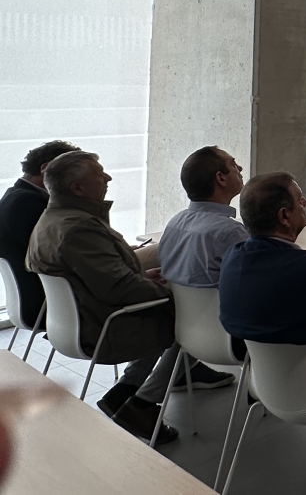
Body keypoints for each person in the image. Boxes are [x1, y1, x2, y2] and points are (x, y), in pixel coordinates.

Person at [27, 152, 190, 442]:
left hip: (82, 320)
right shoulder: (80, 228)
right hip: (105, 329)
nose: (108, 178)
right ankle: (139, 402)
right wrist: (174, 295)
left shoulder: (52, 220)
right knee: (192, 325)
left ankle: (128, 390)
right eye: (100, 173)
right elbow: (121, 289)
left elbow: (105, 280)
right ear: (78, 188)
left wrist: (141, 280)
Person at [218, 171, 306, 440]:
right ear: (284, 216)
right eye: (298, 199)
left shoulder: (234, 258)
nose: (304, 203)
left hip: (261, 386)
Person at [0, 140, 80, 329]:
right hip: (52, 304)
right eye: (74, 173)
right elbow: (68, 256)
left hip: (31, 299)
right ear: (46, 169)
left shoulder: (14, 196)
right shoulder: (30, 205)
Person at [158, 146, 249, 288]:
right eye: (234, 165)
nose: (240, 168)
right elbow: (260, 282)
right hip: (219, 309)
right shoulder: (230, 232)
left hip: (180, 310)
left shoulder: (174, 223)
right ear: (221, 178)